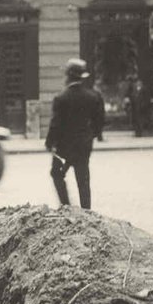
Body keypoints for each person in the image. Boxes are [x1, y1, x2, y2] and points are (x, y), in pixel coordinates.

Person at [45, 58, 105, 210]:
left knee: (56, 173)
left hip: (64, 147)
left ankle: (66, 206)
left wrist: (49, 142)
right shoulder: (93, 97)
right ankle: (86, 209)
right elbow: (100, 122)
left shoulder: (61, 98)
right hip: (84, 145)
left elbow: (56, 124)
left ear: (68, 76)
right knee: (83, 177)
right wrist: (92, 135)